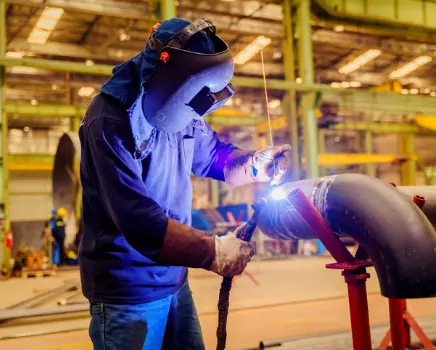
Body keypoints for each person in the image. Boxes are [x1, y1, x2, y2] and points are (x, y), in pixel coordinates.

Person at [78, 18, 290, 350]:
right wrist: (214, 251)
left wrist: (252, 164)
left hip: (175, 281)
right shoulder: (110, 120)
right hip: (128, 294)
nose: (193, 112)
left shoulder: (179, 102)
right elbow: (139, 222)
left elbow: (213, 157)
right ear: (169, 79)